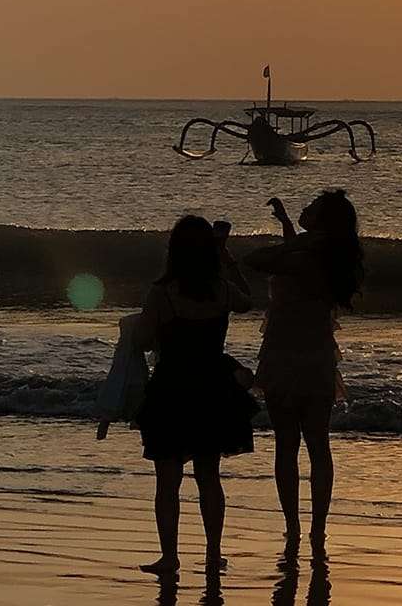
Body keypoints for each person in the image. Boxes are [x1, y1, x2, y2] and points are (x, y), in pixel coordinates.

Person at [134, 216, 255, 575]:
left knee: (167, 481)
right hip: (212, 387)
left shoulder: (162, 293)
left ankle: (170, 556)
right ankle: (213, 553)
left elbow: (143, 341)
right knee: (208, 477)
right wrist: (227, 259)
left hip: (172, 388)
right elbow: (248, 301)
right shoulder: (222, 290)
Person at [245, 190, 363, 547]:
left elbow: (257, 259)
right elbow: (296, 261)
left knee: (287, 445)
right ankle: (316, 528)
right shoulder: (330, 256)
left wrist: (293, 242)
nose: (305, 208)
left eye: (312, 207)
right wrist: (287, 227)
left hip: (284, 354)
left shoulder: (307, 256)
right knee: (318, 444)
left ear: (321, 221)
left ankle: (295, 526)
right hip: (317, 357)